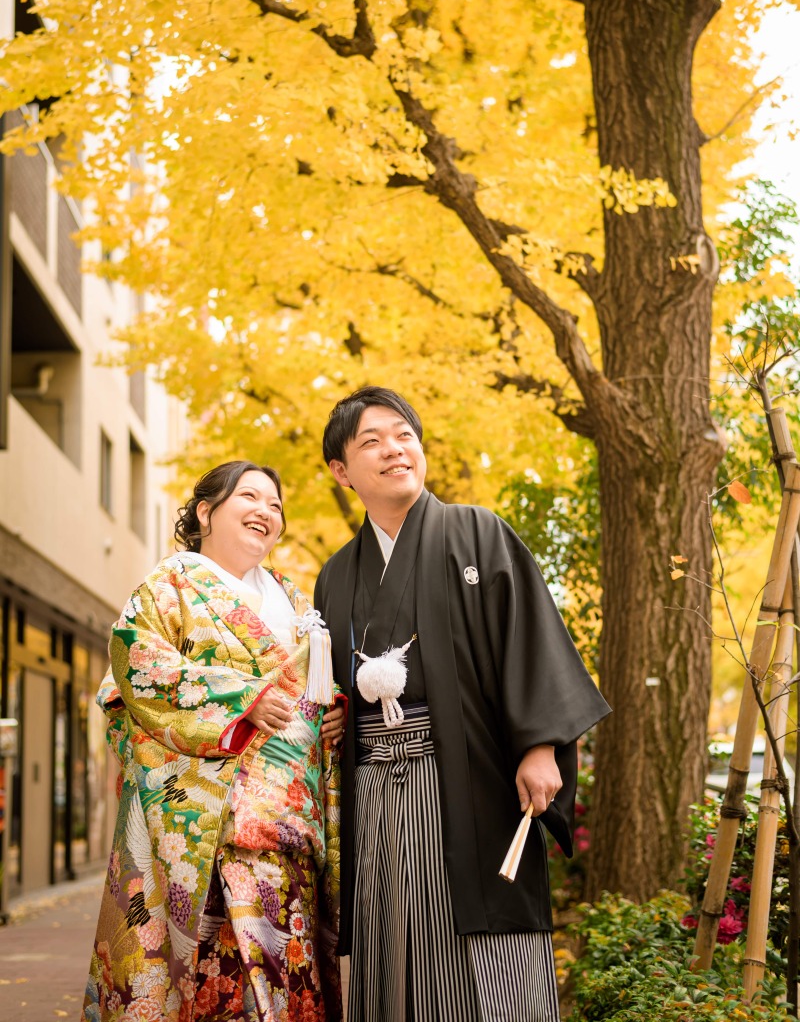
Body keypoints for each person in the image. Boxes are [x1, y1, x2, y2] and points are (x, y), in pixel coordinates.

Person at [314, 387, 611, 1022]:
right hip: (373, 789)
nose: (395, 449)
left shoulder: (477, 532)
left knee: (486, 953)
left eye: (404, 435)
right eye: (372, 441)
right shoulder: (335, 575)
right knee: (389, 942)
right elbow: (332, 683)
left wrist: (539, 748)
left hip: (468, 780)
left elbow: (527, 642)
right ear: (342, 472)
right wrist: (334, 713)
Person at [82, 460, 347, 1022]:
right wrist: (239, 699)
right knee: (215, 981)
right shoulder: (170, 585)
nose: (266, 513)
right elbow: (135, 672)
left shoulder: (295, 602)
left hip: (291, 823)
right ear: (206, 512)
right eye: (250, 497)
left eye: (275, 505)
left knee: (289, 970)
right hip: (210, 821)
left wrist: (333, 714)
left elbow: (316, 688)